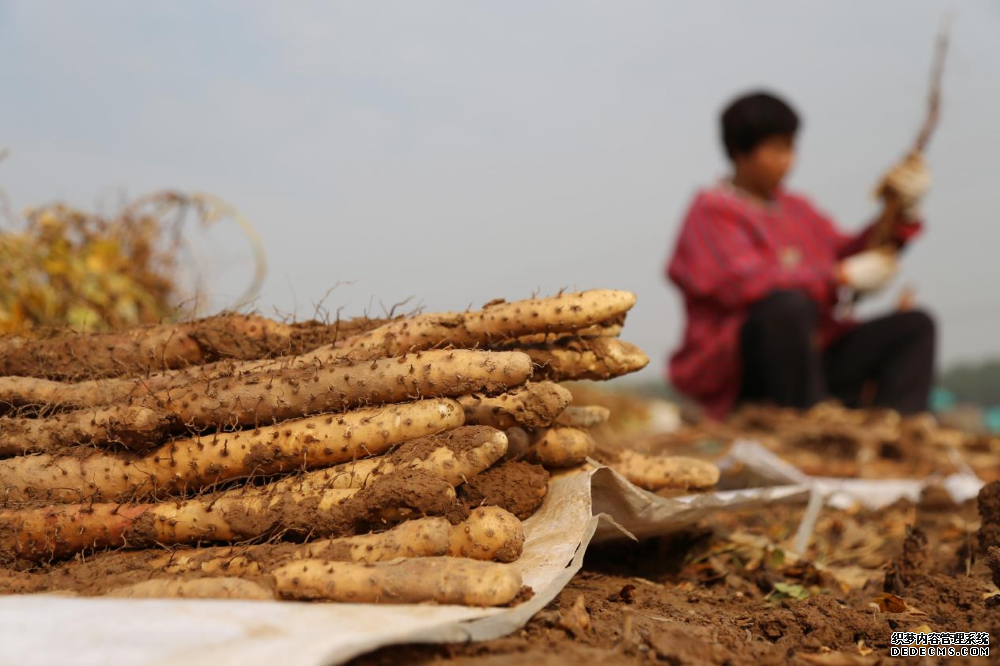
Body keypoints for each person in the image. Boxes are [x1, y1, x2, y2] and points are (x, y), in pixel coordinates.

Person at [665, 91, 935, 419]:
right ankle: (808, 423)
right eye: (776, 149)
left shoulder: (797, 210)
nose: (788, 160)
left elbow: (848, 250)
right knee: (785, 307)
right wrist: (838, 277)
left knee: (915, 326)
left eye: (791, 148)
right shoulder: (711, 210)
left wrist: (900, 213)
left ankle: (899, 431)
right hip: (744, 371)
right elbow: (743, 283)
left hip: (816, 357)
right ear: (741, 152)